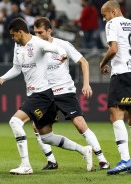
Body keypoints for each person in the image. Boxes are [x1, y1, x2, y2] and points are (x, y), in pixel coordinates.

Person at [0, 18, 93, 175]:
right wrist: (0, 79)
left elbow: (57, 49)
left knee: (15, 122)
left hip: (40, 94)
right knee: (47, 137)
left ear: (20, 32)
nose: (12, 38)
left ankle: (25, 165)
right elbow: (16, 68)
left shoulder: (37, 43)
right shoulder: (18, 46)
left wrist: (62, 55)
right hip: (42, 95)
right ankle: (84, 150)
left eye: (13, 35)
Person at [33, 17, 109, 170]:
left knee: (80, 125)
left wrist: (86, 84)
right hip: (46, 94)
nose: (37, 36)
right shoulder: (34, 47)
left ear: (49, 30)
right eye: (35, 33)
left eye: (40, 32)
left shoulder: (63, 44)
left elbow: (84, 62)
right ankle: (52, 162)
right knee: (38, 128)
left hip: (65, 91)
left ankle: (102, 159)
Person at [100, 0, 131, 175]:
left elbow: (113, 49)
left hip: (122, 73)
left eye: (104, 15)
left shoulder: (113, 23)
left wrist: (103, 63)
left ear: (113, 12)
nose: (104, 19)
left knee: (116, 114)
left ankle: (125, 159)